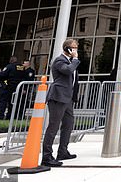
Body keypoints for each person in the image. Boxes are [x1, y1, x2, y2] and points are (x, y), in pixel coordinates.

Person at [41, 39, 80, 167]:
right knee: (53, 126)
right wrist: (75, 60)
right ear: (67, 49)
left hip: (68, 98)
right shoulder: (59, 60)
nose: (75, 50)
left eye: (76, 48)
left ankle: (63, 151)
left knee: (68, 124)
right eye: (73, 48)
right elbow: (68, 71)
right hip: (58, 97)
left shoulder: (70, 61)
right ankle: (47, 157)